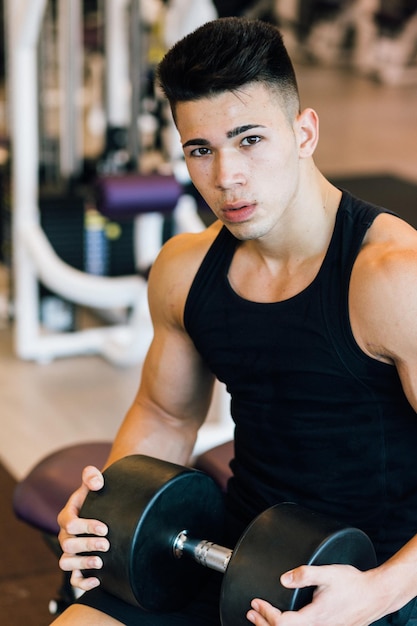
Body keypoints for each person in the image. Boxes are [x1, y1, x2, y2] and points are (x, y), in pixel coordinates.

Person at [52, 16, 417, 626]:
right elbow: (165, 414)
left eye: (250, 139)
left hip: (379, 574)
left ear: (304, 131)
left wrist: (379, 591)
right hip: (239, 551)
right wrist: (109, 510)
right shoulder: (185, 270)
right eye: (201, 149)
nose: (226, 178)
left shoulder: (390, 277)